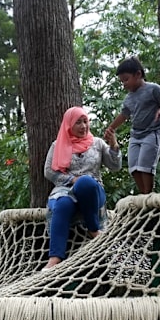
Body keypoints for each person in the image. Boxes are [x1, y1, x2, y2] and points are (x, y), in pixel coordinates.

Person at [43, 106, 122, 270]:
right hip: (65, 190)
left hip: (92, 190)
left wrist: (113, 144)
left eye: (85, 121)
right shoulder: (58, 144)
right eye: (78, 122)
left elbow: (115, 166)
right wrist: (72, 179)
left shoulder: (97, 143)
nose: (83, 126)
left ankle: (93, 229)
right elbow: (49, 171)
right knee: (62, 204)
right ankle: (55, 258)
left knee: (85, 182)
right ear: (68, 125)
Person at [104, 56, 160, 194]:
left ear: (138, 74)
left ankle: (149, 193)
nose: (124, 84)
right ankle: (143, 193)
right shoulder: (129, 98)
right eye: (121, 81)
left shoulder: (153, 89)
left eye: (126, 79)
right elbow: (124, 114)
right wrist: (111, 128)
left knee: (145, 166)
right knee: (134, 167)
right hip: (136, 135)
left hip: (152, 132)